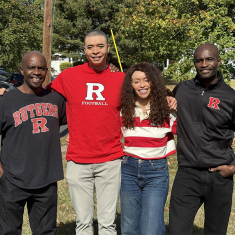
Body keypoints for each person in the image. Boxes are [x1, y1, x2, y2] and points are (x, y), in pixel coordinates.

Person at [169, 43, 235, 235]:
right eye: (199, 60)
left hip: (219, 175)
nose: (204, 64)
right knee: (176, 231)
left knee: (216, 231)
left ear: (218, 61)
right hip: (187, 173)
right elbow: (147, 91)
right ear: (195, 63)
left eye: (209, 59)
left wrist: (232, 168)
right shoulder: (182, 89)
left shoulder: (230, 97)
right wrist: (113, 67)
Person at [0, 51, 66, 234]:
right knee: (9, 231)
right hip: (12, 179)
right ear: (22, 70)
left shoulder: (56, 99)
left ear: (46, 71)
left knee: (46, 232)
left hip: (46, 179)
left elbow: (83, 113)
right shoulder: (6, 100)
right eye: (31, 68)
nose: (36, 72)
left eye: (41, 68)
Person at [120, 62, 177, 235]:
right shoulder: (124, 109)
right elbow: (110, 135)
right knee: (129, 227)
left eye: (146, 80)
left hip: (156, 171)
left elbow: (188, 132)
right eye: (136, 81)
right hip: (128, 170)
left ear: (154, 82)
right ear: (130, 85)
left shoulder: (167, 109)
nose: (142, 85)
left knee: (151, 228)